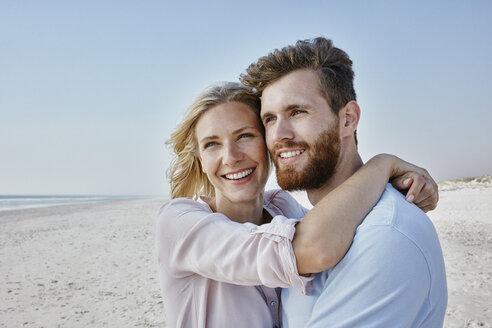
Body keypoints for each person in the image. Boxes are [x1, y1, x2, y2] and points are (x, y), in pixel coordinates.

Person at [156, 82, 439, 327]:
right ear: (200, 161)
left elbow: (344, 227)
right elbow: (314, 250)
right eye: (212, 144)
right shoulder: (180, 223)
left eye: (245, 136)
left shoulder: (282, 207)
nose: (230, 157)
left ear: (268, 144)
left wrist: (401, 190)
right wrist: (382, 165)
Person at [240, 37, 447, 327]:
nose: (279, 135)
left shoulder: (385, 235)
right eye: (270, 119)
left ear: (348, 119)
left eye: (297, 112)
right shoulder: (314, 224)